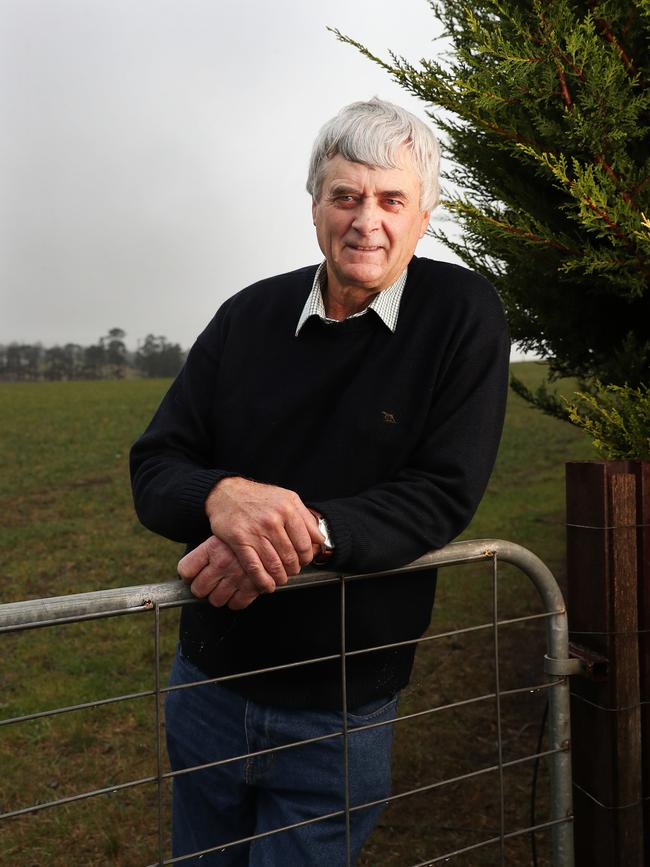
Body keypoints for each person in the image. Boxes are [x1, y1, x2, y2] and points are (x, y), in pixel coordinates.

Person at [130, 97, 510, 866]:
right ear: (315, 209)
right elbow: (154, 465)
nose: (366, 220)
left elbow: (441, 491)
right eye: (345, 196)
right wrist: (222, 496)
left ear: (423, 216)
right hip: (208, 682)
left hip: (341, 704)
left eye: (390, 199)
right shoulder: (247, 315)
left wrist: (287, 538)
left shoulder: (463, 314)